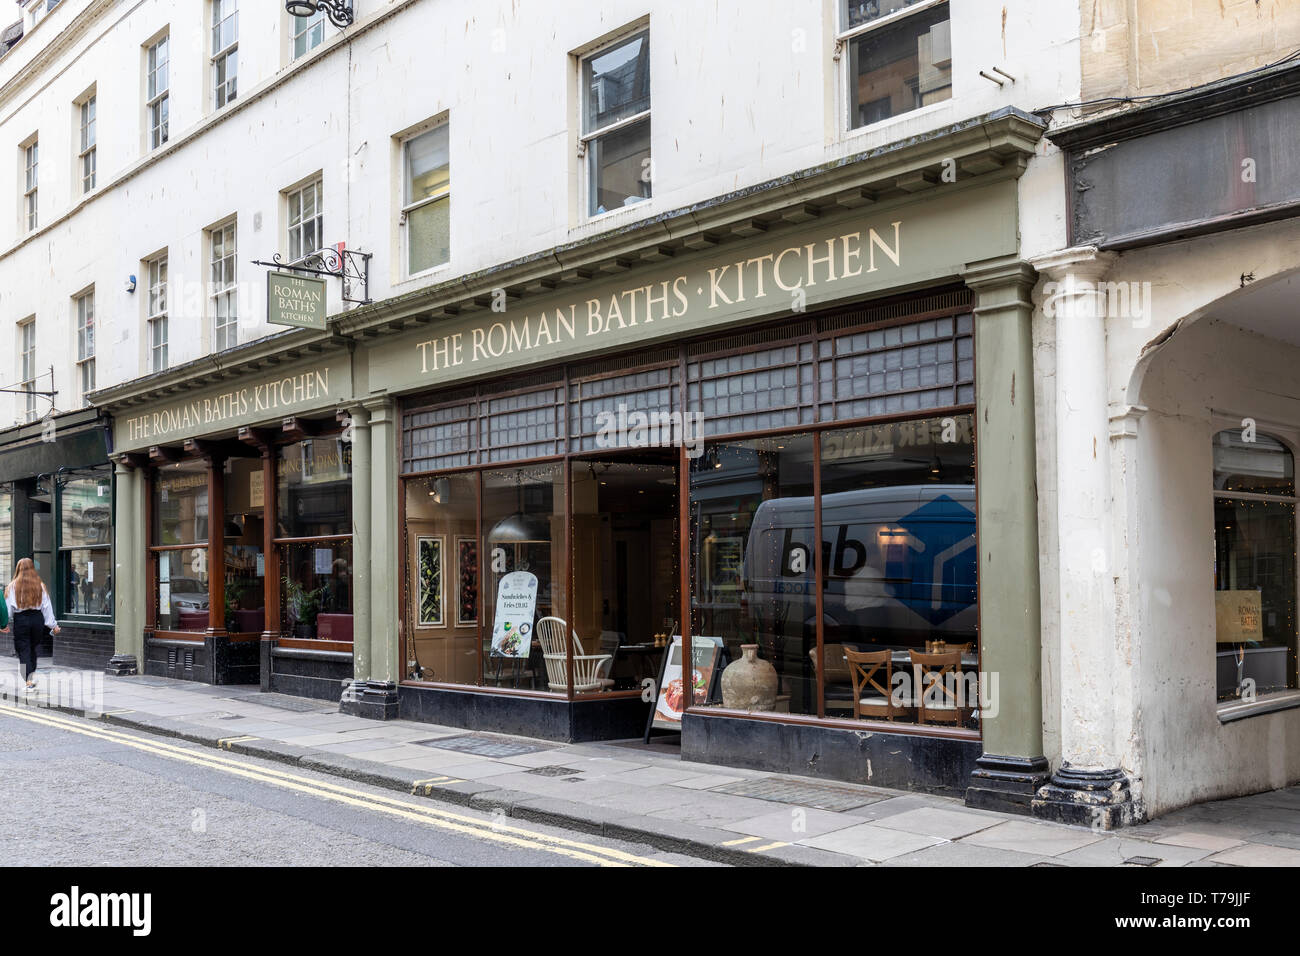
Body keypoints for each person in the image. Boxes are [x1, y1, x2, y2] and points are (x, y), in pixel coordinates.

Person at [7, 558, 59, 691]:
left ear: (18, 569)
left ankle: (28, 681)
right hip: (37, 619)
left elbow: (8, 609)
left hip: (21, 619)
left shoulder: (12, 586)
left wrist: (3, 624)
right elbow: (47, 607)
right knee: (32, 648)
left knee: (23, 650)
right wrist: (53, 625)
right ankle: (30, 677)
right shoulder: (40, 585)